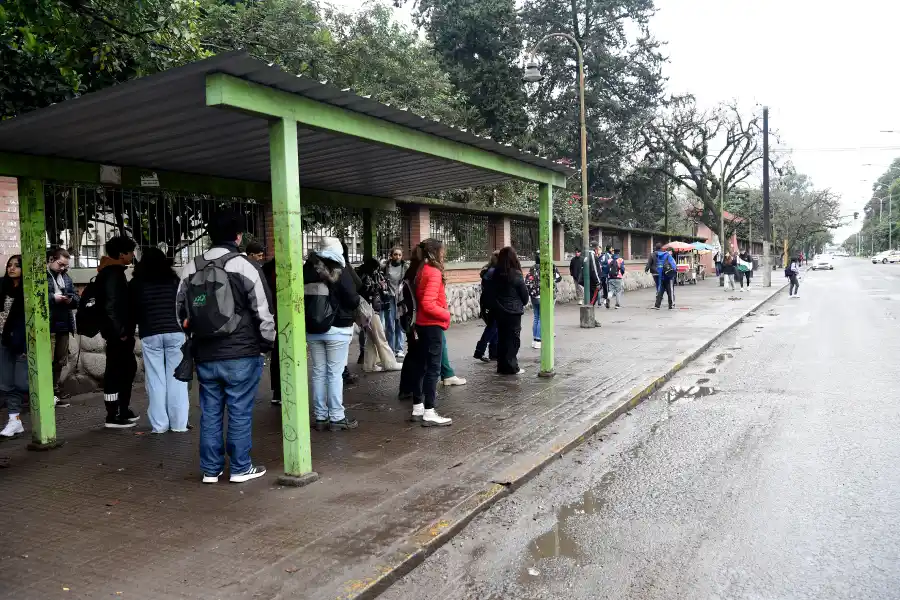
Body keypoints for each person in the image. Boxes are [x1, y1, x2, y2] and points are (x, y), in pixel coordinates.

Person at [177, 211, 275, 483]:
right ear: (238, 237)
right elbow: (264, 313)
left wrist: (194, 335)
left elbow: (179, 311)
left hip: (206, 353)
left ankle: (210, 470)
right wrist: (265, 344)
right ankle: (241, 468)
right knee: (240, 410)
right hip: (242, 352)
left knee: (209, 412)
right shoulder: (245, 266)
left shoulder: (191, 267)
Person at [304, 237, 362, 431]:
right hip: (337, 327)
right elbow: (353, 300)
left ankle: (320, 417)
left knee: (319, 372)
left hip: (313, 327)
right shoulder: (339, 267)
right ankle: (337, 416)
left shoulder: (308, 268)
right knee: (334, 374)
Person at [130, 247, 189, 434]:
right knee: (177, 378)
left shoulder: (137, 283)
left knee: (155, 379)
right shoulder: (174, 281)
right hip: (176, 332)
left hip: (151, 333)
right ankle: (179, 424)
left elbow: (133, 310)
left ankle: (160, 425)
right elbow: (184, 305)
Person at [407, 239, 453, 426]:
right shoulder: (433, 272)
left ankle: (418, 407)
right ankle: (429, 411)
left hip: (421, 325)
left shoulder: (421, 270)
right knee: (433, 369)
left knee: (421, 366)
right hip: (432, 325)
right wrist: (446, 314)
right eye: (442, 251)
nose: (444, 255)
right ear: (436, 252)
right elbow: (428, 303)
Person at [97, 236, 139, 429]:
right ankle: (113, 415)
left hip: (118, 333)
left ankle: (122, 409)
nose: (133, 255)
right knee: (118, 372)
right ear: (122, 254)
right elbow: (111, 307)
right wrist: (120, 331)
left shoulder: (111, 272)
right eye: (131, 252)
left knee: (126, 369)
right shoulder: (113, 274)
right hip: (118, 335)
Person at [485, 247, 528, 375]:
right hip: (513, 313)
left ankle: (502, 366)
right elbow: (524, 296)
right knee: (513, 340)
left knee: (502, 339)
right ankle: (512, 367)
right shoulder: (516, 274)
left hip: (499, 311)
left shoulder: (494, 274)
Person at [47, 247, 79, 407]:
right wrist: (53, 298)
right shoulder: (42, 276)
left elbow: (76, 297)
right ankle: (46, 395)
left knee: (60, 361)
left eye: (66, 265)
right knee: (48, 360)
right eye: (60, 264)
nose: (63, 268)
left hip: (64, 324)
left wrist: (70, 300)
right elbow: (37, 296)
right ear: (51, 260)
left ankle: (54, 392)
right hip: (49, 325)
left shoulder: (66, 277)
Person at [357, 257, 400, 373]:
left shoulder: (360, 274)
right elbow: (369, 291)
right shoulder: (367, 276)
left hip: (364, 309)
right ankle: (390, 363)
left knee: (371, 338)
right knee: (380, 336)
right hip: (368, 308)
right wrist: (378, 285)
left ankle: (369, 365)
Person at [0, 256, 27, 438]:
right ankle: (14, 419)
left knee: (21, 382)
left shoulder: (30, 289)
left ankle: (47, 400)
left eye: (17, 266)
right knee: (7, 382)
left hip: (22, 340)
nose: (12, 269)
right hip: (3, 340)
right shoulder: (2, 286)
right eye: (9, 265)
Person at [525, 251, 561, 349]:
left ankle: (534, 339)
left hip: (534, 296)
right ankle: (538, 340)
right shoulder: (549, 266)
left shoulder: (533, 268)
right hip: (544, 296)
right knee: (542, 317)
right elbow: (558, 278)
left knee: (536, 316)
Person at [381, 247, 407, 358]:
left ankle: (399, 349)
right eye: (395, 254)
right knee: (390, 323)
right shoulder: (386, 267)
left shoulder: (405, 267)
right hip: (389, 297)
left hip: (400, 298)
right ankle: (391, 348)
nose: (397, 257)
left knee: (400, 323)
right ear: (391, 255)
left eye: (399, 255)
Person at [474, 252, 499, 362]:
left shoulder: (488, 270)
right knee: (492, 327)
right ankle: (479, 351)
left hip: (486, 302)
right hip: (493, 303)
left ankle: (493, 353)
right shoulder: (494, 272)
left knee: (494, 328)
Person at [652, 243, 677, 310]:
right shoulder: (669, 256)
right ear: (670, 251)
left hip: (661, 276)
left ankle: (657, 305)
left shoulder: (660, 256)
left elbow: (658, 266)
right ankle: (671, 305)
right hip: (669, 277)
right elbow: (674, 267)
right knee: (670, 291)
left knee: (660, 291)